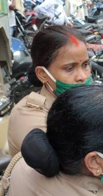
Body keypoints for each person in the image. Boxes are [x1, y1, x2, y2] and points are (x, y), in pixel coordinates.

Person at [6, 26, 92, 157]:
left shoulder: (81, 102)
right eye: (69, 68)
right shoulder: (30, 116)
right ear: (42, 74)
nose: (82, 76)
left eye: (85, 65)